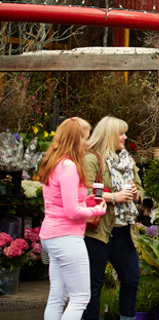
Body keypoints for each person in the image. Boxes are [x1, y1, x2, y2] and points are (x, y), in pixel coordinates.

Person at [38, 117, 106, 320]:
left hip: (51, 236)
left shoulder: (53, 163)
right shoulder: (69, 167)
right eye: (85, 138)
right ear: (75, 139)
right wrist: (96, 211)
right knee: (80, 297)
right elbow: (71, 212)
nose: (88, 142)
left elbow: (60, 202)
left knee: (57, 297)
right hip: (67, 237)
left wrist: (86, 201)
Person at [82, 116, 144, 320]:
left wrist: (135, 194)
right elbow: (84, 190)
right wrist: (114, 197)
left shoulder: (127, 160)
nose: (125, 137)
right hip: (99, 231)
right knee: (94, 283)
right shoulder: (91, 159)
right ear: (109, 135)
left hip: (124, 229)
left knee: (131, 279)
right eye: (121, 133)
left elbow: (140, 190)